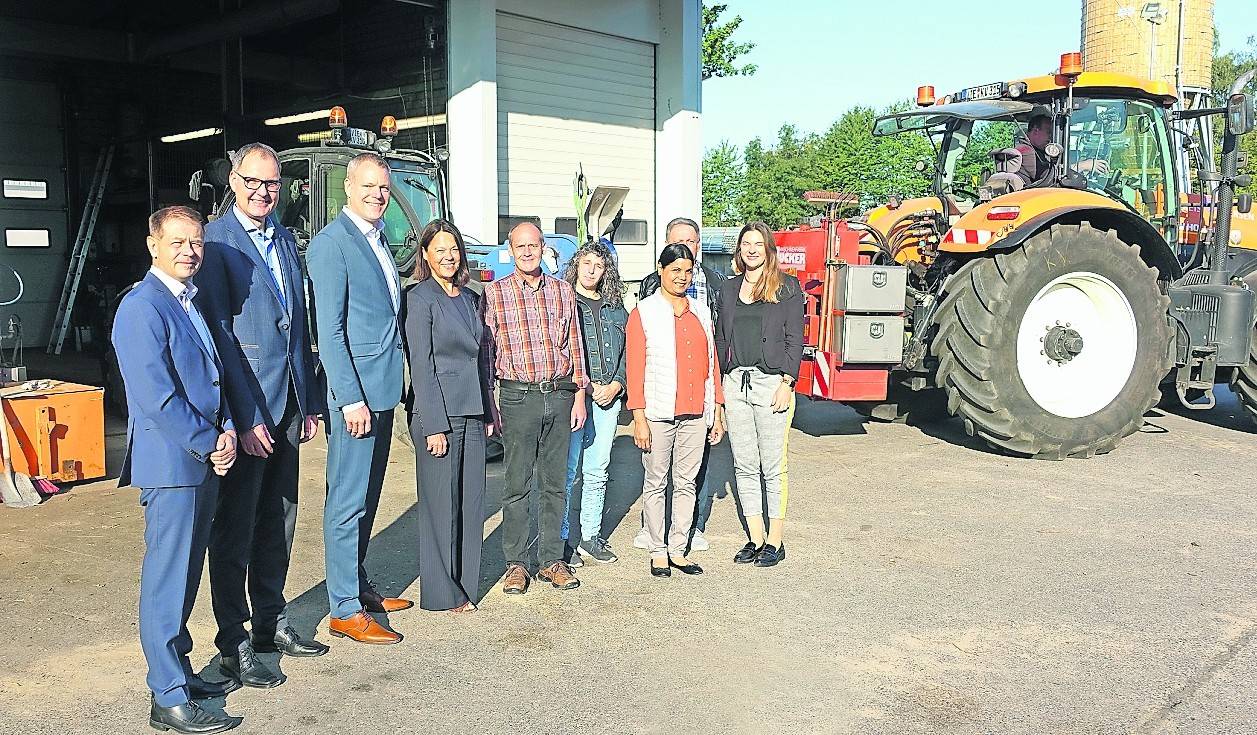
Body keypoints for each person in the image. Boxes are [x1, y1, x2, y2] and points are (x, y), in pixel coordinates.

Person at [194, 143, 327, 691]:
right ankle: (234, 643)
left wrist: (310, 399)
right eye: (253, 182)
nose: (263, 192)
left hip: (288, 404)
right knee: (236, 529)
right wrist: (243, 418)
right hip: (249, 410)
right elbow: (220, 338)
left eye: (272, 183)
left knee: (280, 520)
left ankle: (271, 623)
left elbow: (297, 326)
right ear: (233, 179)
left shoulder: (285, 238)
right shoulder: (218, 242)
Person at [113, 206, 242, 734]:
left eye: (196, 242)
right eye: (178, 241)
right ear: (153, 244)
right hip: (173, 466)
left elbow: (211, 378)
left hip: (202, 461)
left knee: (186, 576)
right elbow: (157, 397)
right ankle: (166, 697)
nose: (189, 251)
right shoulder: (141, 308)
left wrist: (228, 427)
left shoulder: (188, 302)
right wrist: (211, 440)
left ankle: (180, 672)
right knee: (167, 581)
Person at [306, 152, 410, 645]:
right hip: (357, 396)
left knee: (368, 496)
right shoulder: (332, 244)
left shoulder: (377, 237)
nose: (377, 194)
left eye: (384, 188)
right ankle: (344, 608)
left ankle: (358, 583)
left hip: (384, 387)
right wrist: (349, 398)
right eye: (368, 186)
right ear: (347, 188)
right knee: (346, 501)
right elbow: (330, 330)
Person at [482, 222, 588, 594]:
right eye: (520, 246)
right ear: (510, 251)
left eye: (534, 245)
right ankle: (516, 564)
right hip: (517, 397)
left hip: (559, 394)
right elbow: (487, 352)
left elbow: (575, 346)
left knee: (555, 483)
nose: (527, 252)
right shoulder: (494, 295)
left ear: (544, 248)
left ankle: (551, 561)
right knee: (516, 485)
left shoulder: (563, 292)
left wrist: (578, 394)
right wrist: (489, 404)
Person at [401, 220, 495, 612]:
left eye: (453, 249)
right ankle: (443, 593)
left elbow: (480, 357)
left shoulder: (470, 297)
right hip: (438, 414)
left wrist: (489, 409)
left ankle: (465, 583)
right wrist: (434, 425)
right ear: (425, 255)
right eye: (439, 250)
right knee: (441, 505)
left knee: (471, 503)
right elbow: (421, 366)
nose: (448, 257)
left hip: (472, 410)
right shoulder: (419, 298)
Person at [627, 243, 726, 578]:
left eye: (688, 270)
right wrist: (638, 417)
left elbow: (711, 364)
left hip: (696, 412)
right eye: (675, 270)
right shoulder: (644, 312)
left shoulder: (700, 310)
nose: (682, 277)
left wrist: (717, 410)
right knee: (656, 481)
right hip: (658, 412)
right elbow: (636, 368)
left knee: (686, 482)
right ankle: (657, 549)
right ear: (660, 269)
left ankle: (678, 548)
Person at [714, 222, 804, 568]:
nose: (751, 249)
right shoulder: (728, 289)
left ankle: (775, 540)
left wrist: (788, 381)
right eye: (746, 243)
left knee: (773, 465)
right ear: (739, 249)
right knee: (745, 464)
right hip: (736, 383)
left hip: (772, 385)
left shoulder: (787, 288)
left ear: (769, 249)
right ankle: (754, 536)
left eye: (758, 243)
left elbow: (795, 338)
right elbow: (722, 338)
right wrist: (720, 383)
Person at [559, 240, 628, 566]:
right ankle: (561, 541)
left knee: (597, 470)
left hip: (608, 401)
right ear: (577, 265)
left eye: (598, 266)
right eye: (586, 263)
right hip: (575, 400)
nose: (591, 270)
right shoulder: (563, 302)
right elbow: (559, 350)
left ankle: (589, 536)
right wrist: (584, 388)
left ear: (606, 272)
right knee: (568, 471)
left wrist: (616, 384)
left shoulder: (617, 309)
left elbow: (629, 353)